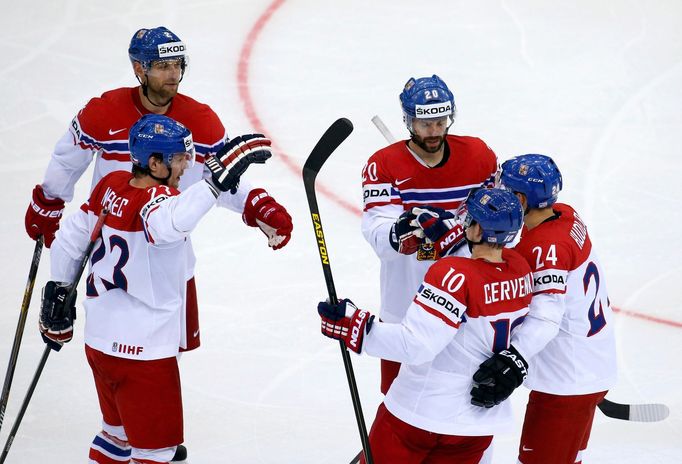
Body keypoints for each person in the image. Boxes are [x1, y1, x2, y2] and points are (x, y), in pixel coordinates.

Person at [24, 27, 292, 461]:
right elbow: (68, 159)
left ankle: (140, 425)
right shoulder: (103, 112)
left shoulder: (198, 122)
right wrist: (50, 198)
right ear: (139, 68)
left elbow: (218, 179)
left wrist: (254, 204)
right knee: (150, 355)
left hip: (155, 259)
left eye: (177, 65)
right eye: (162, 66)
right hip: (133, 244)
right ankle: (149, 434)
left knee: (166, 347)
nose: (172, 75)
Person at [38, 114, 272, 464]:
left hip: (100, 342)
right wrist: (213, 186)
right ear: (154, 162)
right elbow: (170, 222)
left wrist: (58, 291)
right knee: (155, 453)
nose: (185, 166)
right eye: (179, 159)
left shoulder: (111, 185)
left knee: (116, 436)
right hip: (142, 354)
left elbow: (70, 242)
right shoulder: (157, 203)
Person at [319, 188, 531, 464]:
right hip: (476, 424)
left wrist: (354, 325)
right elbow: (483, 272)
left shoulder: (453, 274)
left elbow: (415, 346)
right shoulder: (520, 268)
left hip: (420, 415)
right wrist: (457, 245)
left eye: (470, 220)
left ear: (477, 230)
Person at [470, 154, 617, 464]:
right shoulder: (565, 214)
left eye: (507, 191)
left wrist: (515, 359)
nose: (502, 195)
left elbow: (546, 315)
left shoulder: (544, 249)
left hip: (566, 381)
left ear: (521, 198)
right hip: (589, 365)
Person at [361, 74, 498, 395]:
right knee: (397, 396)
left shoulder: (478, 156)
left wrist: (459, 227)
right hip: (405, 296)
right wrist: (401, 231)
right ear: (408, 121)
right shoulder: (383, 165)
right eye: (425, 125)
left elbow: (497, 216)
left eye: (440, 121)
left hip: (463, 297)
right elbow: (378, 228)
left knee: (464, 393)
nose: (434, 131)